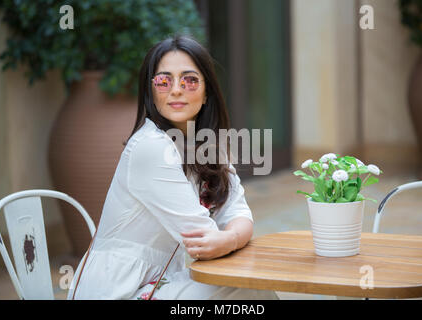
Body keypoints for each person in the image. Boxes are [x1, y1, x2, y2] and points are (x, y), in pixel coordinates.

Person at [67, 35, 279, 300]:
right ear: (151, 93)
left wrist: (231, 239)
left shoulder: (210, 147)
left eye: (189, 80)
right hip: (117, 291)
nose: (176, 89)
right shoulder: (150, 148)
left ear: (206, 94)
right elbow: (202, 241)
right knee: (247, 284)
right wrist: (230, 238)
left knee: (250, 283)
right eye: (163, 80)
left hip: (161, 283)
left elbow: (238, 212)